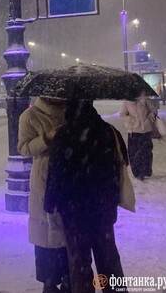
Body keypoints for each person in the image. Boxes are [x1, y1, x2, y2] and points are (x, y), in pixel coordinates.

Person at [45, 100, 128, 293]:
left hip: (72, 209)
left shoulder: (63, 134)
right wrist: (112, 198)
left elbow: (54, 173)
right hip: (101, 206)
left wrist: (50, 203)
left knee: (79, 262)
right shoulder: (107, 131)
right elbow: (120, 164)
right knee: (108, 257)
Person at [18, 97, 70, 293]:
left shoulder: (72, 112)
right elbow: (24, 148)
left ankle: (68, 278)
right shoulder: (30, 116)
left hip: (70, 177)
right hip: (44, 179)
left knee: (67, 233)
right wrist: (47, 138)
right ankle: (50, 281)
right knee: (46, 232)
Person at [120, 93, 156, 180]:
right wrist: (130, 120)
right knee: (133, 152)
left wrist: (150, 117)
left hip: (146, 129)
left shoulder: (145, 99)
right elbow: (122, 114)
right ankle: (137, 172)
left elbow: (154, 110)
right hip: (133, 130)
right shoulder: (127, 102)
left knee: (146, 151)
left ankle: (145, 170)